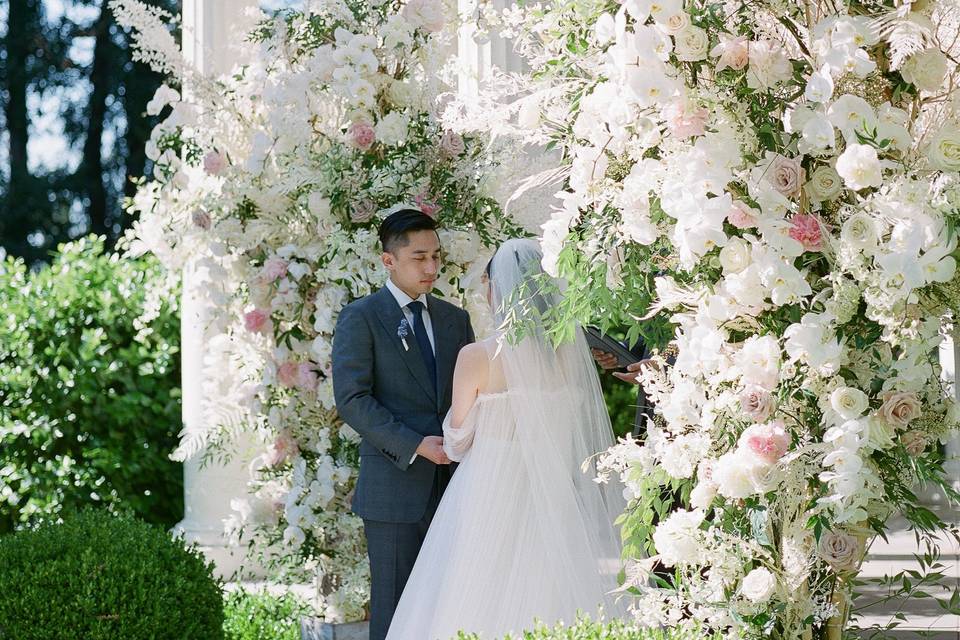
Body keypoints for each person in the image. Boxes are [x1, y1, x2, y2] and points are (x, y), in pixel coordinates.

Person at [385, 238, 628, 640]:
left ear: (496, 289)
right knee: (549, 590)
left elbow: (458, 441)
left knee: (472, 596)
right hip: (552, 491)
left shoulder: (477, 356)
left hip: (488, 488)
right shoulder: (569, 354)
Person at [331, 209, 475, 640]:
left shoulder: (455, 319)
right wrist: (415, 445)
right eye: (419, 258)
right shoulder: (361, 317)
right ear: (388, 261)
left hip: (458, 484)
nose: (431, 268)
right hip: (394, 488)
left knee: (452, 603)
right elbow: (353, 399)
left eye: (436, 257)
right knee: (394, 610)